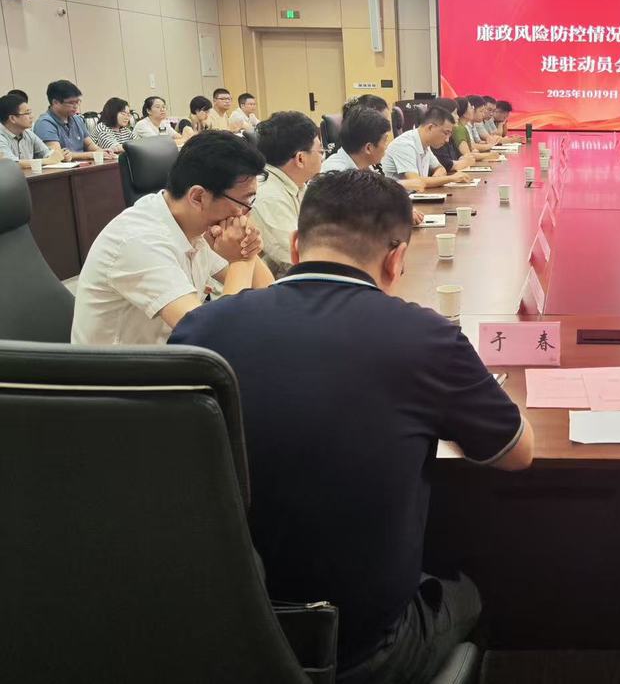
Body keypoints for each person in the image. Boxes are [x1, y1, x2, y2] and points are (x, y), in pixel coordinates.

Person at [169, 170, 533, 682]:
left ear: (295, 246)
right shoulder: (424, 337)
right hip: (358, 652)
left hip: (220, 637)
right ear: (396, 259)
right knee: (471, 590)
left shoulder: (200, 329)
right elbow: (517, 453)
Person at [72, 131, 274, 345]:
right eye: (244, 202)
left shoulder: (199, 224)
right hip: (125, 366)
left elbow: (268, 294)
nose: (246, 213)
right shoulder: (139, 241)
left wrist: (247, 249)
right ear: (198, 197)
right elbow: (216, 336)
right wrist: (240, 259)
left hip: (174, 353)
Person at [250, 111, 324, 277]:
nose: (322, 158)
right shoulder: (268, 196)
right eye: (320, 151)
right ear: (300, 159)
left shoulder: (296, 184)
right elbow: (301, 257)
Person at [381, 105, 472, 189]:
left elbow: (440, 168)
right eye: (446, 133)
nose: (447, 140)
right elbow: (415, 182)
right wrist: (452, 178)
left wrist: (435, 179)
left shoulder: (425, 143)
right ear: (430, 128)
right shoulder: (405, 144)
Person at [34, 79, 100, 160]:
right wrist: (92, 155)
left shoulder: (77, 119)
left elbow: (90, 145)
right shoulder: (44, 123)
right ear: (55, 102)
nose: (76, 106)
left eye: (77, 102)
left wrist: (102, 152)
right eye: (71, 103)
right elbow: (57, 155)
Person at [0, 93, 61, 168]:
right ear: (12, 118)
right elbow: (10, 164)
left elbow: (47, 153)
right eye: (27, 113)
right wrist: (46, 161)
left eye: (30, 112)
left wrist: (57, 155)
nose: (32, 116)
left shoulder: (28, 133)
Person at [323, 106, 391, 173]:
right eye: (385, 141)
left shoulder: (364, 164)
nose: (386, 146)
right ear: (368, 148)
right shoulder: (337, 174)